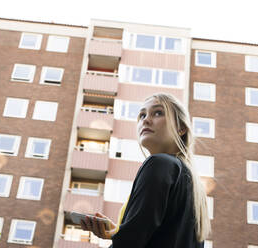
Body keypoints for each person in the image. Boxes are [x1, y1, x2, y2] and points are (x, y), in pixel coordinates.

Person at [80, 93, 211, 247]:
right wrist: (118, 232)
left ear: (181, 128)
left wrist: (123, 236)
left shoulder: (160, 164)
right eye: (142, 115)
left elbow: (130, 243)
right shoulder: (193, 185)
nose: (146, 120)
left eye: (158, 113)